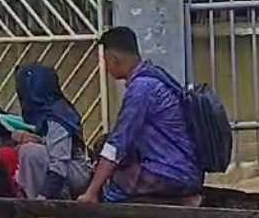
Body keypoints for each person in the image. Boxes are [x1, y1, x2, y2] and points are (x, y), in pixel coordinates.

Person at [77, 26, 202, 205]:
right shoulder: (154, 76)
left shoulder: (141, 89)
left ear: (114, 59)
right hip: (185, 170)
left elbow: (117, 144)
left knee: (112, 190)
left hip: (171, 172)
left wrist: (91, 193)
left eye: (105, 60)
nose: (105, 67)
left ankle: (177, 202)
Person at [11, 64, 92, 199]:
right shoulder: (44, 113)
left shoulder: (56, 117)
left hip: (73, 172)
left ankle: (46, 199)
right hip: (61, 168)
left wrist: (43, 197)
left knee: (31, 152)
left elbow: (59, 163)